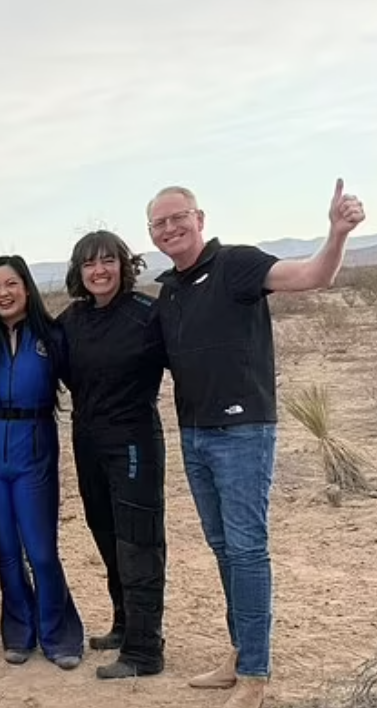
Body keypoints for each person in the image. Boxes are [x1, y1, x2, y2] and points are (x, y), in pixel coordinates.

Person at [147, 180, 366, 708]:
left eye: (179, 217)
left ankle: (254, 675)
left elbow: (312, 276)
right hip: (194, 434)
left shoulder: (237, 264)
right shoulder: (170, 291)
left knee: (246, 549)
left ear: (200, 218)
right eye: (160, 223)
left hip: (243, 432)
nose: (171, 228)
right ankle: (241, 652)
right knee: (224, 547)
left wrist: (337, 234)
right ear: (152, 234)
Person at [0, 255, 84, 671]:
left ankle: (58, 634)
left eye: (10, 284)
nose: (3, 293)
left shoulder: (54, 336)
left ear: (26, 287)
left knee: (41, 550)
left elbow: (84, 386)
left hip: (35, 451)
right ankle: (18, 631)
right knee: (7, 550)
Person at [57, 231, 168, 679]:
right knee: (105, 534)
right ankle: (124, 625)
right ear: (78, 272)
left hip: (134, 441)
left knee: (138, 541)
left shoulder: (147, 313)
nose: (99, 271)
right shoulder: (72, 320)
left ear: (124, 264)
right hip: (87, 440)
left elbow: (188, 360)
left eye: (107, 261)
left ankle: (145, 650)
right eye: (89, 263)